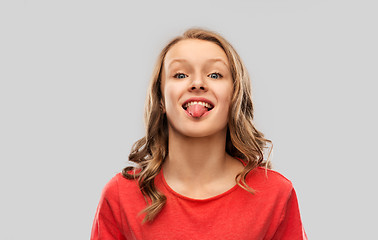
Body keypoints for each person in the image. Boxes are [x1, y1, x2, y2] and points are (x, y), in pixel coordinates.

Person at [91, 28, 307, 240]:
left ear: (234, 97)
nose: (197, 84)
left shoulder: (276, 193)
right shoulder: (120, 194)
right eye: (181, 74)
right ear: (161, 99)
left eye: (214, 74)